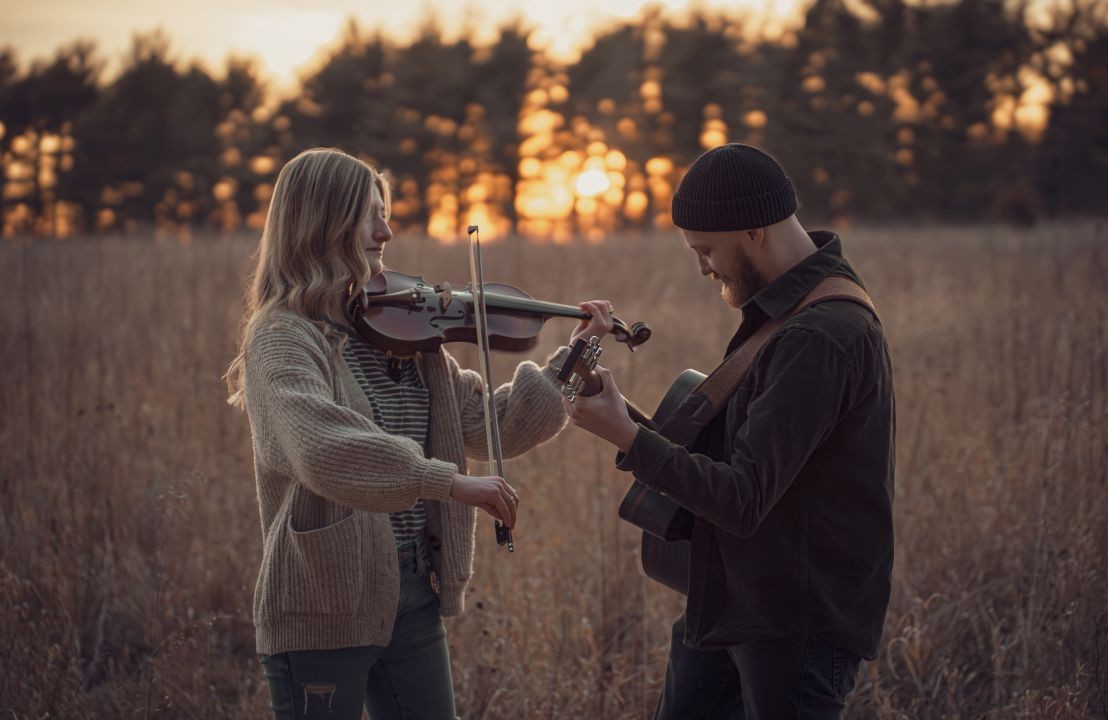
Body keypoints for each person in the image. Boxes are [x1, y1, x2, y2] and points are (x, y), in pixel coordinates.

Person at [224, 147, 614, 720]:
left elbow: (493, 428)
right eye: (369, 214)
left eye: (386, 213)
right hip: (322, 601)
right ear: (322, 221)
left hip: (412, 594)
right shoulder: (283, 339)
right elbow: (322, 448)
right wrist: (448, 482)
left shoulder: (407, 338)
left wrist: (577, 357)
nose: (386, 230)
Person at [563, 143, 895, 719]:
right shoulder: (785, 316)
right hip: (732, 601)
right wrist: (619, 411)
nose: (702, 267)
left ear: (754, 232)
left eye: (707, 249)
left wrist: (627, 439)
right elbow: (733, 462)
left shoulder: (818, 336)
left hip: (795, 625)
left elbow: (741, 498)